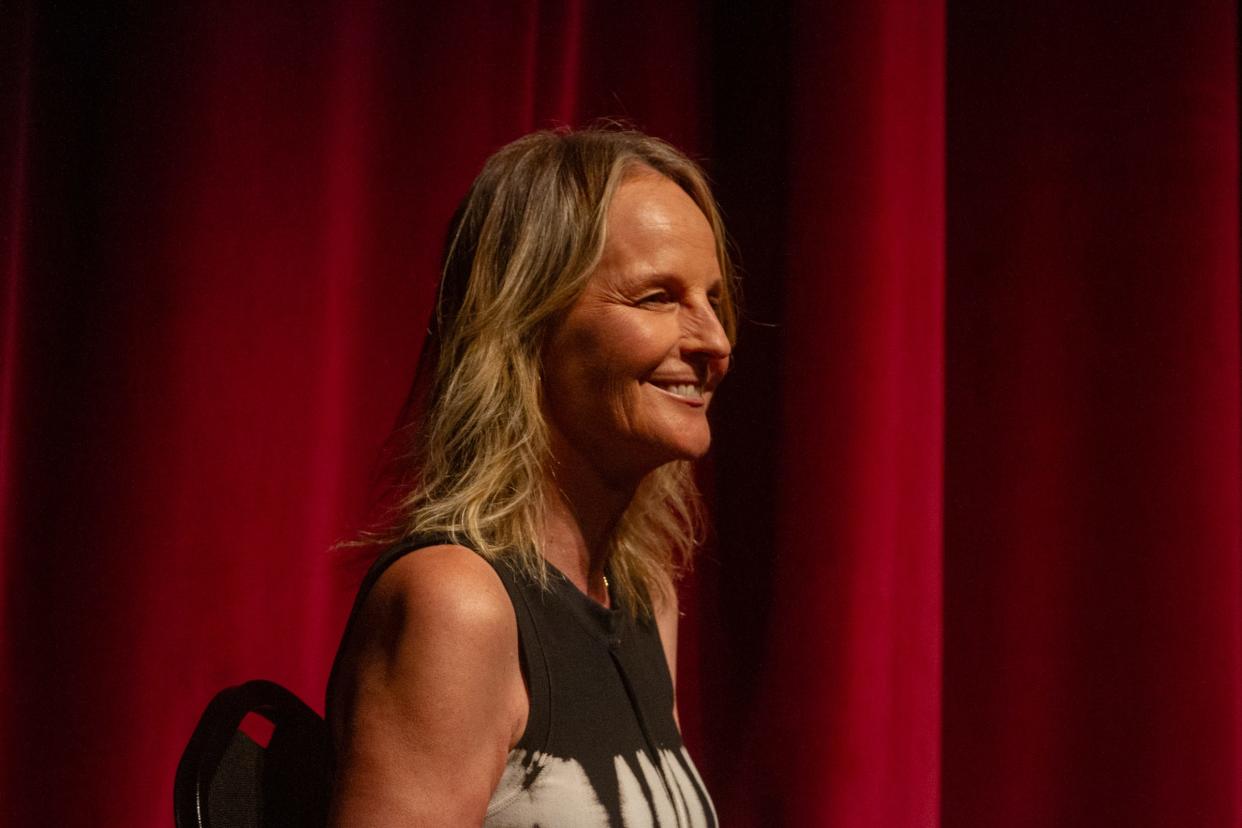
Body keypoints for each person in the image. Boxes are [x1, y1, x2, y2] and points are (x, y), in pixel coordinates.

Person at [326, 126, 737, 827]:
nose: (714, 341)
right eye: (658, 298)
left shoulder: (643, 603)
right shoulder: (460, 606)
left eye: (712, 298)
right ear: (526, 326)